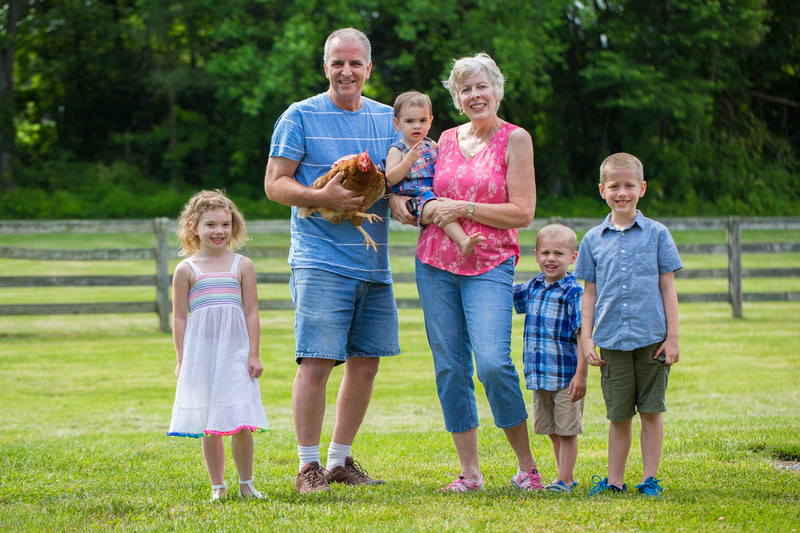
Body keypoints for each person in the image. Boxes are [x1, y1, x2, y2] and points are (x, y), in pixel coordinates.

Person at [264, 27, 401, 494]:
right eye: (337, 63)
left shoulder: (387, 119)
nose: (347, 71)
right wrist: (322, 196)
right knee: (317, 362)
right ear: (326, 67)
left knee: (366, 361)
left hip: (373, 261)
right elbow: (275, 183)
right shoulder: (299, 115)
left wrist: (407, 201)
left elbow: (399, 178)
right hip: (319, 258)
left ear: (368, 68)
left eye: (355, 63)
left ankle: (340, 460)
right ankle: (307, 466)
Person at [395, 52, 541, 492]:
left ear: (497, 89)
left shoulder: (515, 139)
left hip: (490, 263)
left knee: (494, 363)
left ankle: (527, 467)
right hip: (434, 263)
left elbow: (523, 212)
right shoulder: (442, 140)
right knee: (450, 368)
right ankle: (471, 473)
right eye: (465, 89)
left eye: (481, 86)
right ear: (457, 99)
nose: (475, 95)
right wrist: (401, 205)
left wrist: (467, 209)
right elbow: (417, 191)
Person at [573, 152, 682, 498]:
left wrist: (674, 337)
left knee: (651, 411)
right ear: (602, 189)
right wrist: (586, 339)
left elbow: (668, 286)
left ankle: (650, 479)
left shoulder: (658, 234)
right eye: (614, 186)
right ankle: (615, 481)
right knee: (618, 415)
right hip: (611, 343)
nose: (622, 192)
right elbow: (588, 295)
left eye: (629, 185)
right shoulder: (592, 239)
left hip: (652, 339)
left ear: (642, 188)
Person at [167, 189, 270, 502]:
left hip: (235, 353)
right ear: (193, 228)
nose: (219, 231)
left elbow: (251, 311)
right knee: (211, 423)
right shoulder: (186, 270)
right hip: (202, 355)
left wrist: (253, 353)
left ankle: (247, 483)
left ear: (233, 226)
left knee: (240, 420)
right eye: (210, 225)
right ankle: (218, 486)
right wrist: (182, 358)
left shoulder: (242, 265)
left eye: (225, 224)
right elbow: (180, 318)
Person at [512, 224, 586, 493]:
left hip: (567, 377)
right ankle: (562, 476)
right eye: (545, 252)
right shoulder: (533, 287)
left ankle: (565, 480)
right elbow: (506, 296)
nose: (551, 258)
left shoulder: (573, 292)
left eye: (558, 253)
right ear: (535, 254)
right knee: (553, 429)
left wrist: (582, 374)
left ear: (573, 257)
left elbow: (582, 335)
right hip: (541, 375)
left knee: (567, 430)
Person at [385, 90, 484, 254]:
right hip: (415, 199)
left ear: (430, 121)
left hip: (434, 195)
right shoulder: (398, 150)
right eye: (409, 121)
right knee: (439, 210)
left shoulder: (432, 145)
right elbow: (391, 178)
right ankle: (463, 241)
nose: (417, 126)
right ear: (397, 123)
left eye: (422, 120)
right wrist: (407, 161)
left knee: (449, 206)